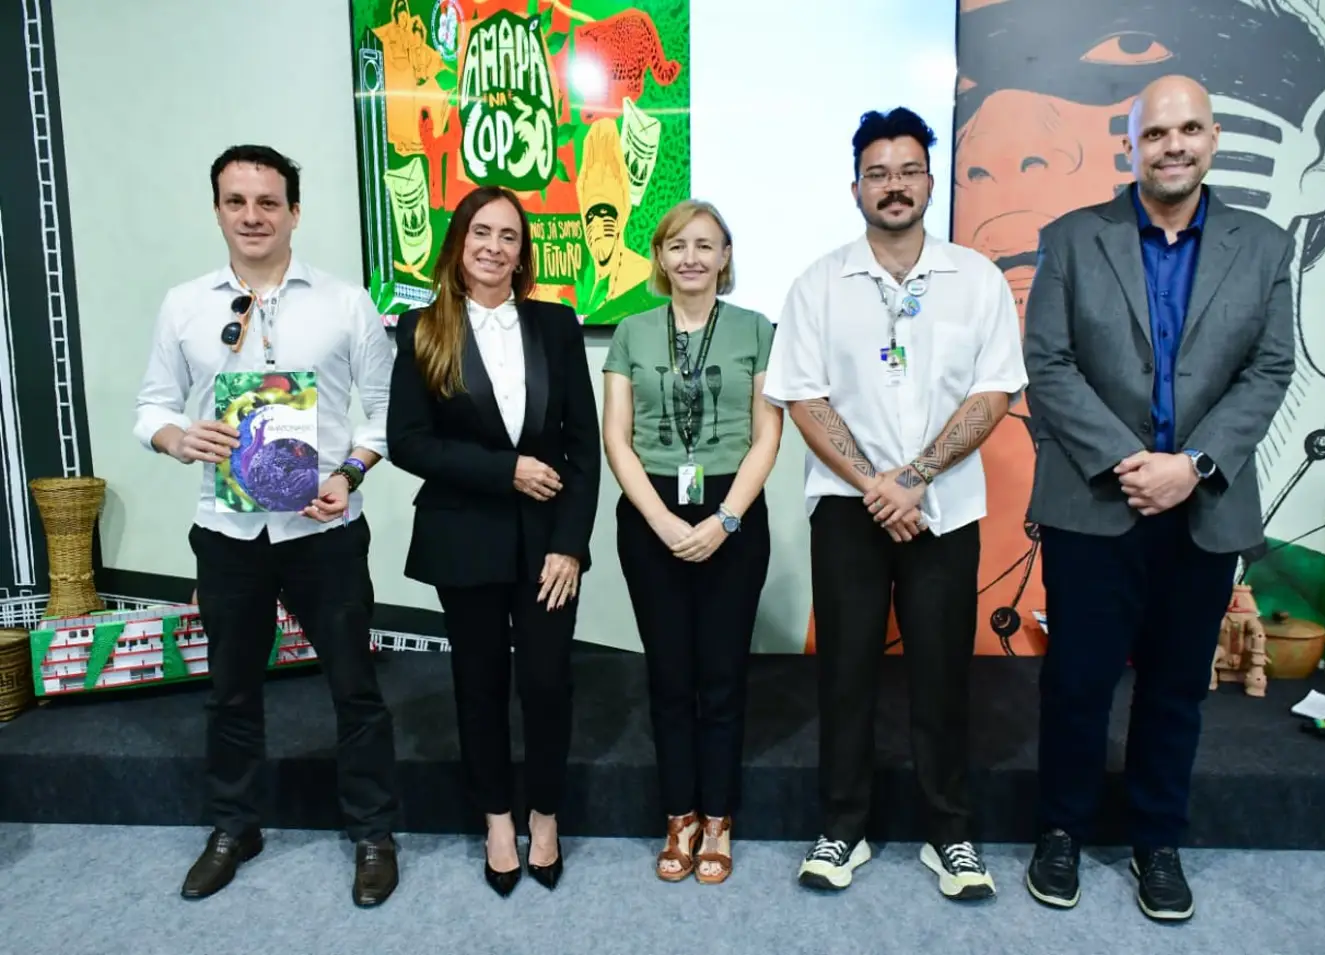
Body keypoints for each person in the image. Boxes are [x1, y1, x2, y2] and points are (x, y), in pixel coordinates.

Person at [1021, 75, 1295, 922]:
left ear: (1212, 139)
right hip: (1093, 502)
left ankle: (1156, 840)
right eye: (1154, 134)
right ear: (1130, 146)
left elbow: (1269, 369)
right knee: (1077, 681)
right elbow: (1049, 364)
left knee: (1176, 686)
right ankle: (1061, 830)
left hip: (1204, 508)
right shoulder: (1072, 238)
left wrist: (1193, 465)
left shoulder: (1264, 246)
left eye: (1188, 130)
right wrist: (1129, 459)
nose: (1172, 146)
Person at [763, 108, 1026, 897]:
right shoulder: (818, 282)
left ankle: (950, 834)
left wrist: (915, 477)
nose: (894, 185)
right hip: (848, 509)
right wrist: (878, 484)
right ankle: (842, 828)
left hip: (944, 506)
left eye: (908, 171)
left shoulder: (975, 279)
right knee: (845, 672)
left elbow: (994, 391)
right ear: (855, 188)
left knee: (942, 673)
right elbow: (802, 397)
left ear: (930, 182)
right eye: (877, 174)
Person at [133, 145, 400, 907]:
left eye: (268, 202)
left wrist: (349, 474)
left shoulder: (345, 302)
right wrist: (178, 438)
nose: (252, 216)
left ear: (294, 211)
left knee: (355, 689)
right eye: (236, 201)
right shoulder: (185, 304)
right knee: (231, 692)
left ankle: (373, 833)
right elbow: (152, 406)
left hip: (325, 532)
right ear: (217, 209)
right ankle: (233, 827)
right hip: (228, 532)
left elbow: (384, 412)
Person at [386, 186, 600, 897]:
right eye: (482, 232)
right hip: (464, 537)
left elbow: (583, 447)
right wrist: (505, 470)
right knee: (478, 687)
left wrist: (571, 544)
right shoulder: (422, 328)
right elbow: (407, 441)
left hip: (548, 544)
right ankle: (498, 821)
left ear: (523, 252)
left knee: (547, 683)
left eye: (509, 236)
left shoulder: (556, 324)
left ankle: (545, 815)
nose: (494, 246)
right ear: (459, 242)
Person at [601, 200, 782, 884]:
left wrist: (725, 519)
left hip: (734, 511)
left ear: (725, 256)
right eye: (678, 245)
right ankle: (679, 814)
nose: (692, 258)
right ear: (660, 256)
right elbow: (616, 437)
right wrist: (661, 520)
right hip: (652, 514)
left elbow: (767, 433)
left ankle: (719, 817)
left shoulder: (755, 328)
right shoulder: (631, 331)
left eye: (706, 245)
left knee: (723, 675)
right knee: (670, 675)